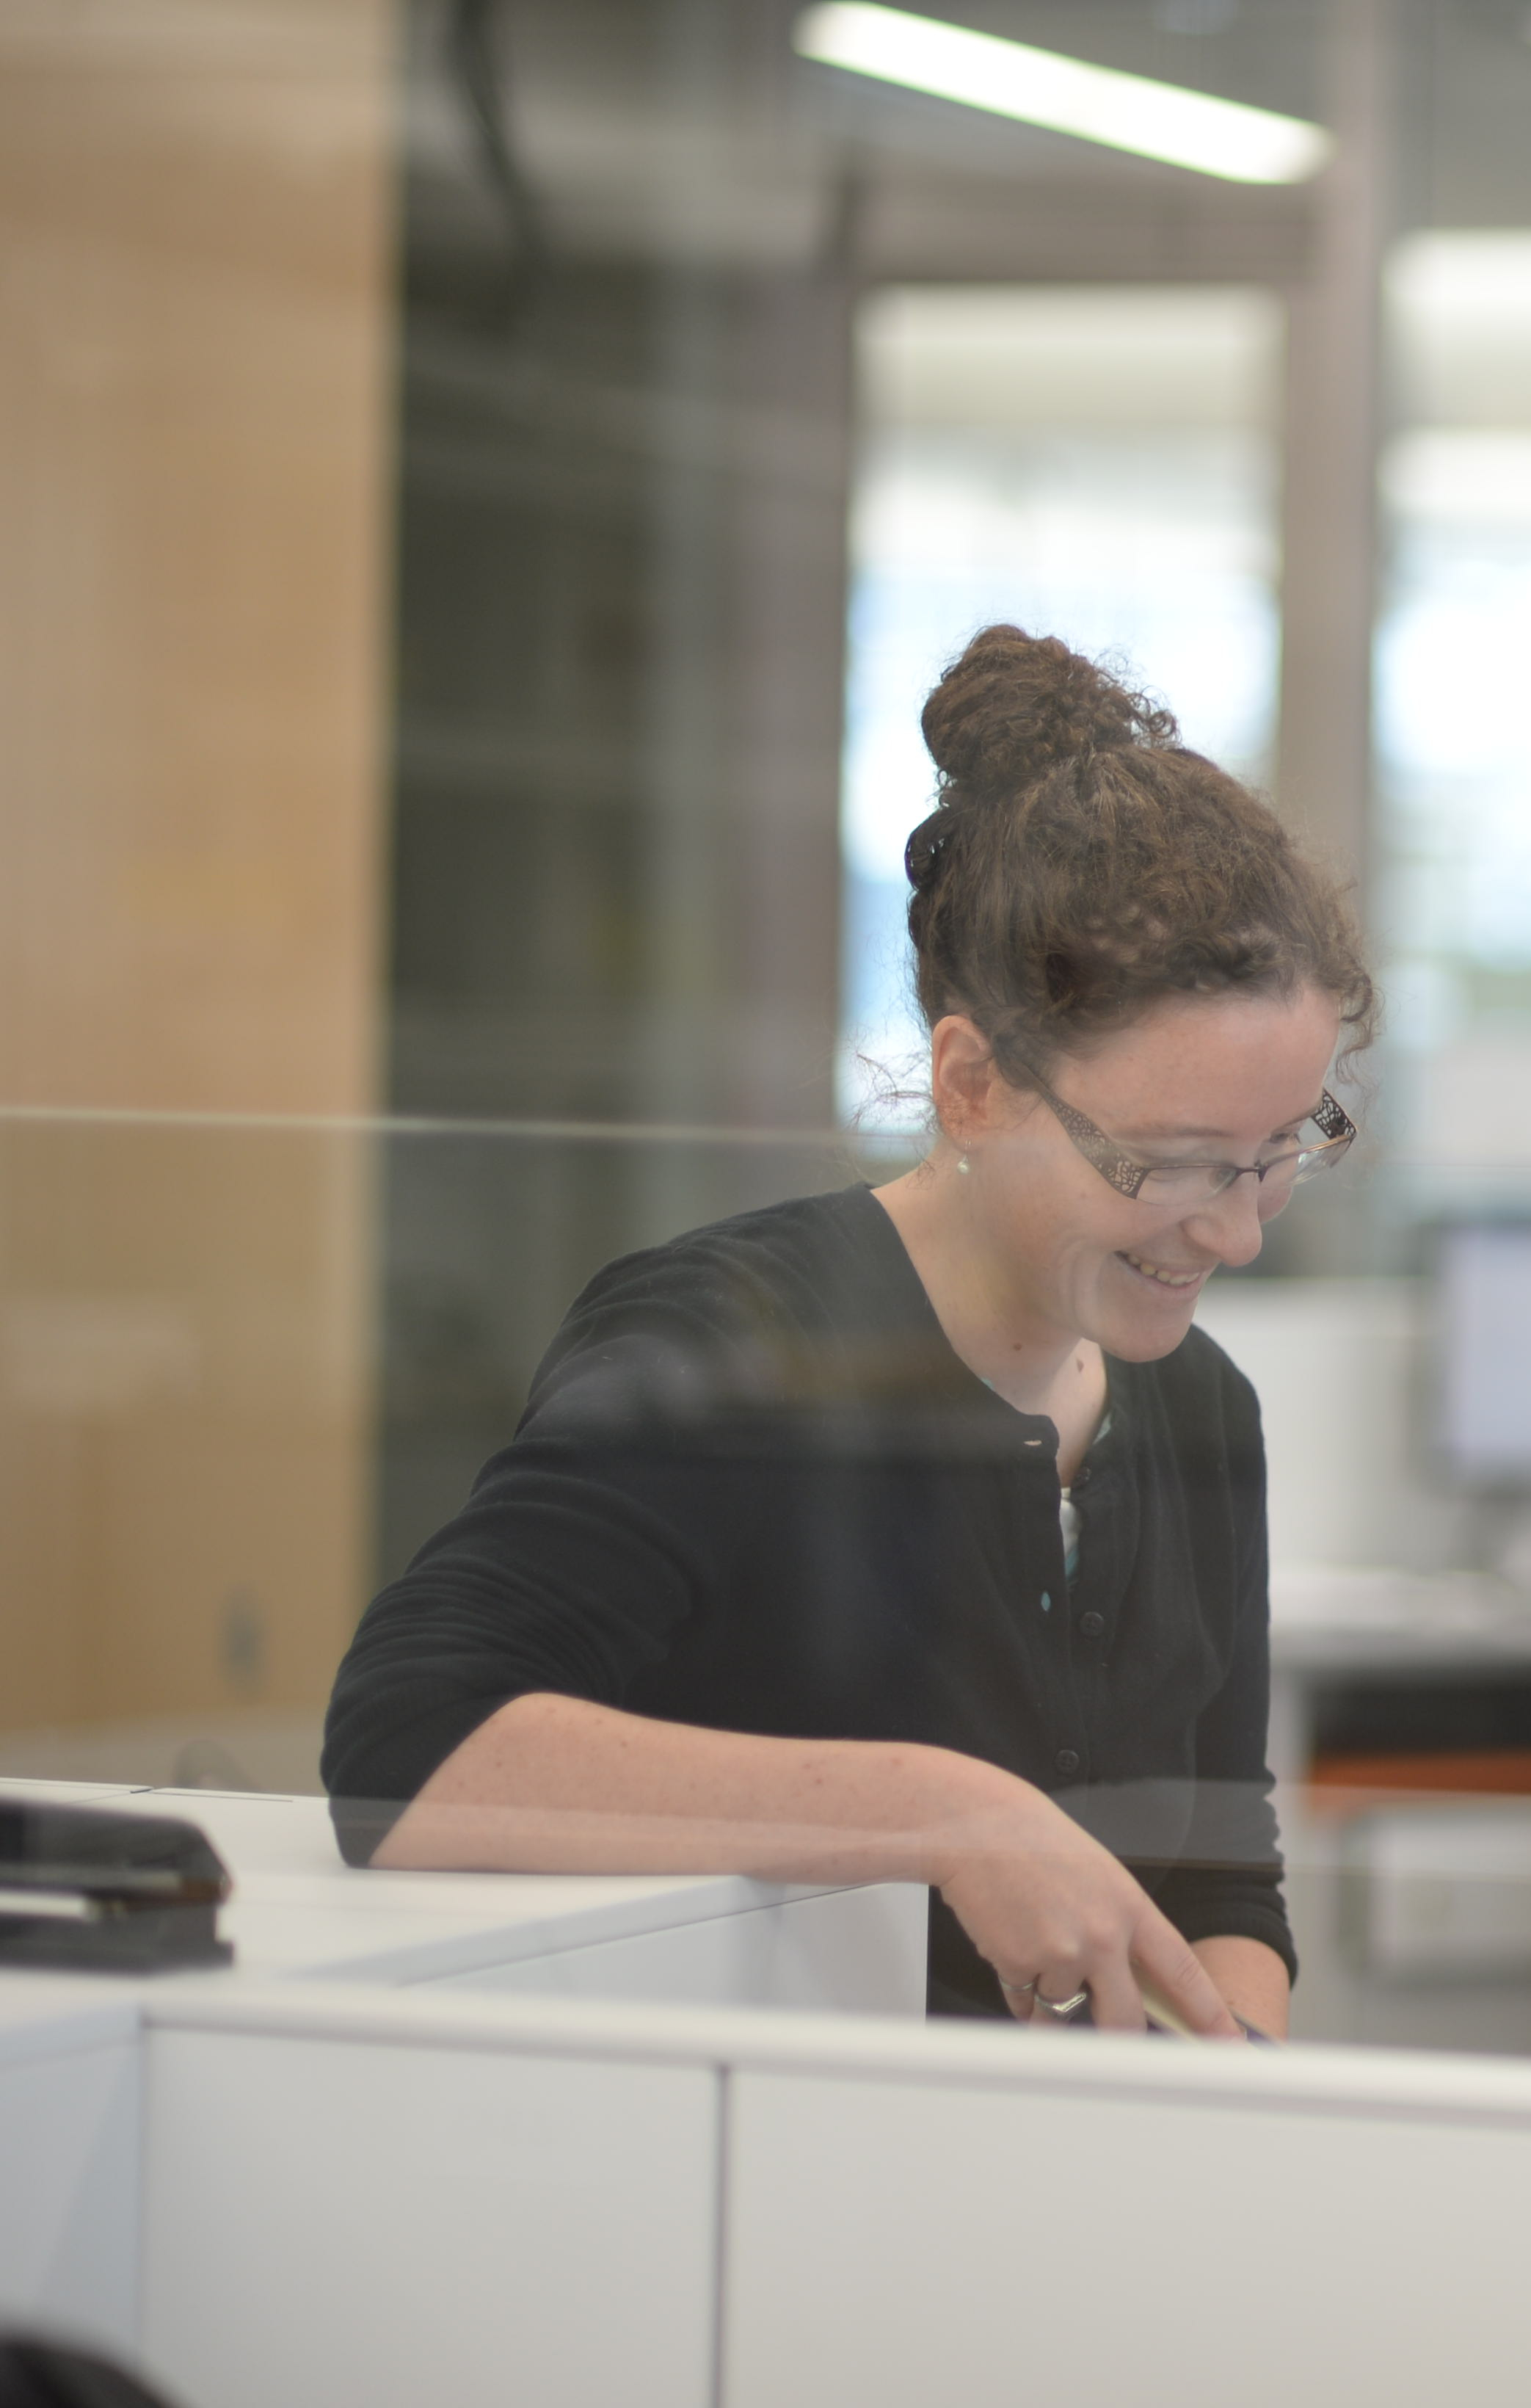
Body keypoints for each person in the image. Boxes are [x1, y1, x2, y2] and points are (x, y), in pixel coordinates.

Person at [320, 627, 1372, 2039]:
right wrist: (938, 1813)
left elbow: (1225, 1895)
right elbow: (410, 1749)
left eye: (1280, 1150)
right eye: (1168, 1163)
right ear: (974, 1083)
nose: (1236, 1232)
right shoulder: (733, 1345)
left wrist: (1220, 2111)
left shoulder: (1196, 1407)